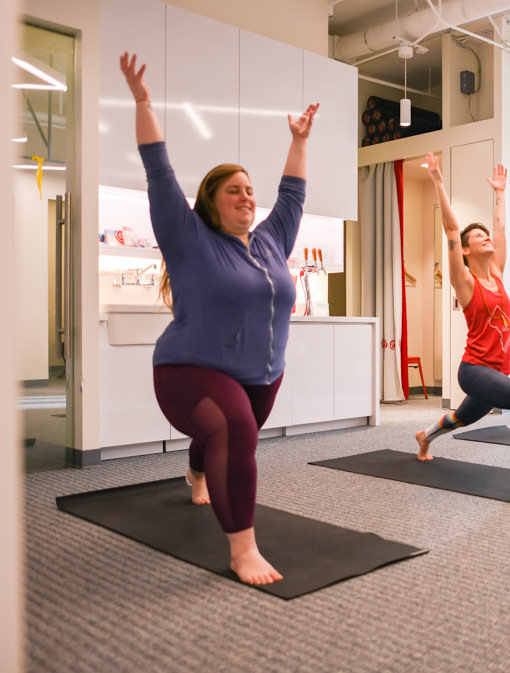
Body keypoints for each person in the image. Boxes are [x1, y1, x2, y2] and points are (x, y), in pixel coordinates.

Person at [120, 52, 319, 585]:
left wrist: (298, 140)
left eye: (250, 191)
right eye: (234, 190)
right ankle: (243, 549)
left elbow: (293, 194)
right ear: (211, 202)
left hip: (263, 373)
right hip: (187, 369)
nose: (248, 197)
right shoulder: (188, 239)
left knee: (227, 433)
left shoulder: (271, 239)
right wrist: (142, 102)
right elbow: (158, 170)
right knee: (234, 427)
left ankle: (196, 470)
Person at [414, 153, 510, 501]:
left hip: (495, 370)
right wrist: (437, 179)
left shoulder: (498, 275)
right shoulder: (464, 282)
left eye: (485, 234)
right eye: (477, 237)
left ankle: (425, 436)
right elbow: (450, 228)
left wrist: (500, 193)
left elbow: (501, 228)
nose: (485, 238)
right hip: (475, 369)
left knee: (463, 418)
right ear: (464, 250)